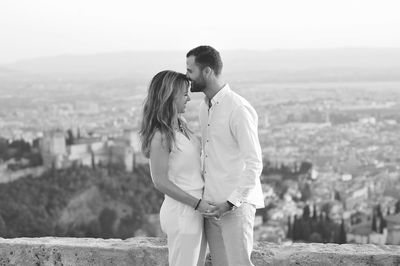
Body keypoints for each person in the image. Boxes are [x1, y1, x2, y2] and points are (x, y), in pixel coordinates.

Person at [186, 46, 265, 266]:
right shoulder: (204, 108)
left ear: (207, 72)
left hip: (235, 207)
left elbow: (254, 163)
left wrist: (231, 203)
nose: (187, 76)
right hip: (211, 207)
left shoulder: (238, 108)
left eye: (190, 70)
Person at [139, 70, 214, 266]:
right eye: (184, 94)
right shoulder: (161, 135)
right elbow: (160, 181)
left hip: (195, 209)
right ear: (170, 96)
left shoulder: (181, 125)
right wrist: (196, 204)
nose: (189, 98)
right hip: (183, 211)